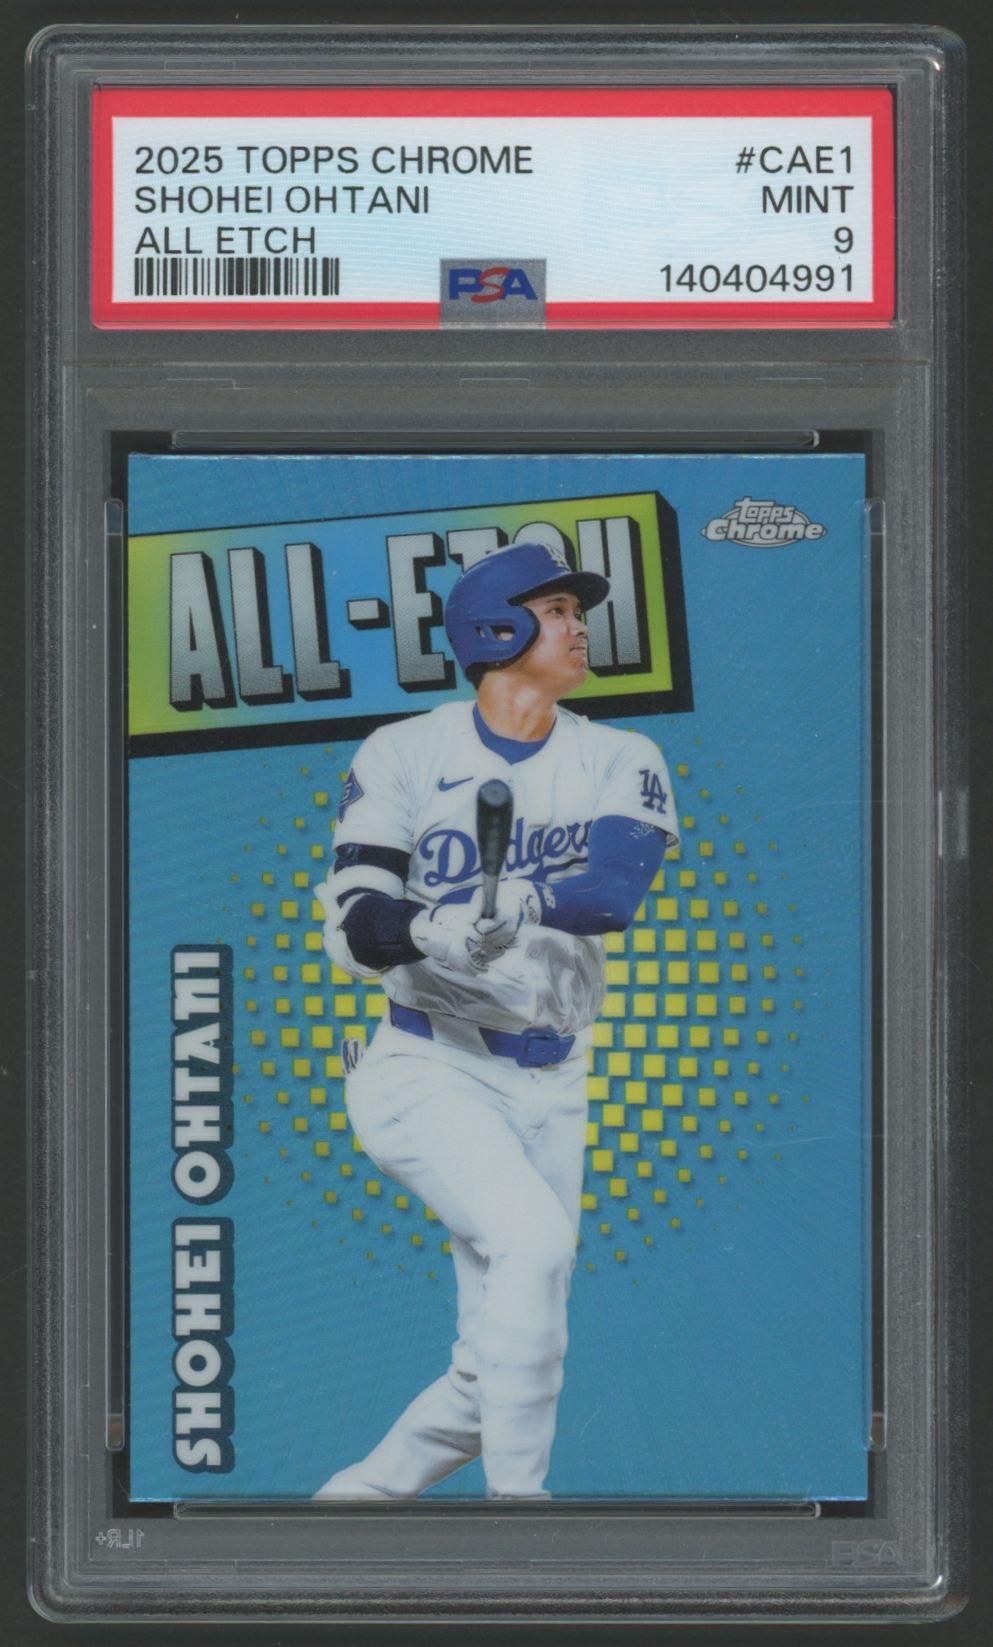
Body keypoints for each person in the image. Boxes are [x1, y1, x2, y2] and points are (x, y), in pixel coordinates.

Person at [312, 541, 678, 1500]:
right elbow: (355, 921)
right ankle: (521, 1514)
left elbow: (614, 892)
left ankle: (349, 1507)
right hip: (428, 1062)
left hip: (554, 1079)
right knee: (534, 1247)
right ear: (494, 627)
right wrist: (428, 930)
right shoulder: (404, 751)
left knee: (495, 1368)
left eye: (575, 612)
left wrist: (523, 899)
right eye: (556, 611)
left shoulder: (620, 756)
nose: (578, 627)